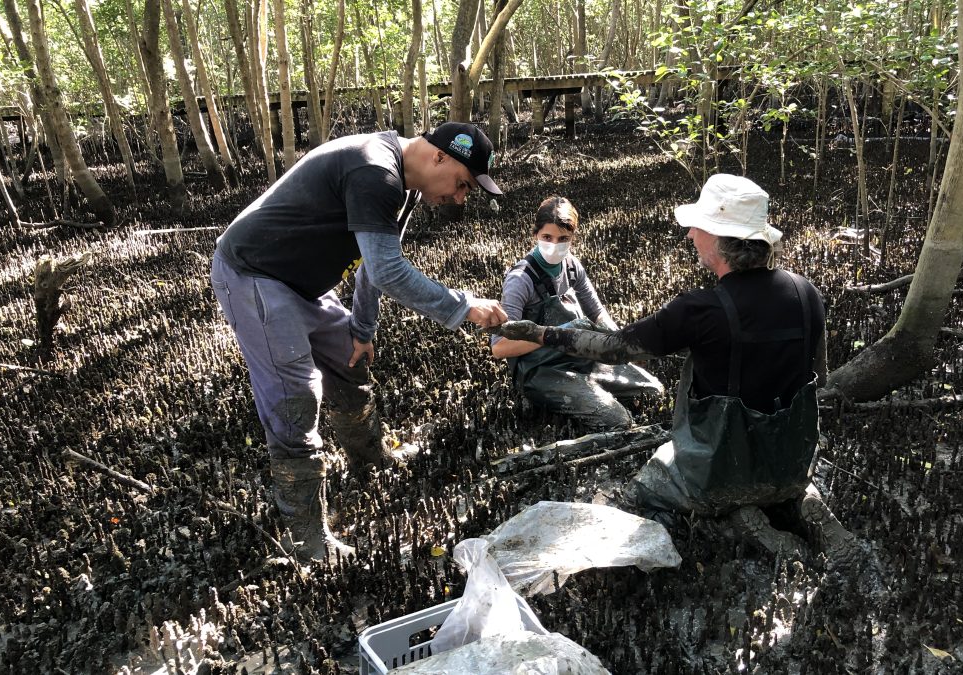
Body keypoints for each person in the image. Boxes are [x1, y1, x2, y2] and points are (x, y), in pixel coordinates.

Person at [493, 175, 855, 558]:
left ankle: (735, 516)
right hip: (791, 466)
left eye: (695, 228)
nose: (689, 237)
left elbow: (616, 348)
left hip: (716, 472)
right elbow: (821, 379)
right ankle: (796, 504)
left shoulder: (699, 309)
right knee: (780, 484)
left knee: (646, 483)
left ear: (717, 238)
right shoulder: (808, 294)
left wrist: (541, 334)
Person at [210, 122, 508, 563]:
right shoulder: (375, 171)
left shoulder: (401, 185)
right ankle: (309, 541)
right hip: (255, 275)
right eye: (462, 185)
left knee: (351, 363)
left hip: (305, 285)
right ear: (439, 157)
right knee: (296, 401)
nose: (459, 198)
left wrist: (363, 330)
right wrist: (462, 306)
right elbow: (389, 271)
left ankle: (370, 459)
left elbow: (374, 266)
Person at [490, 196, 663, 430]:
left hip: (581, 357)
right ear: (535, 235)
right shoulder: (520, 280)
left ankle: (590, 386)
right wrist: (565, 331)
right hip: (541, 372)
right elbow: (499, 347)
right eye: (547, 237)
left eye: (563, 239)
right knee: (618, 421)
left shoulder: (572, 265)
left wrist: (623, 344)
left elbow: (597, 313)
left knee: (655, 392)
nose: (554, 245)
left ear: (573, 238)